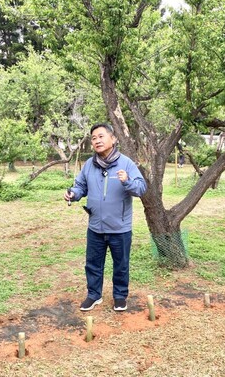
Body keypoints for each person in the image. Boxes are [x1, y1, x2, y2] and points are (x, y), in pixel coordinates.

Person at [64, 123, 147, 312]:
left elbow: (141, 188)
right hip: (95, 226)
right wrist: (73, 194)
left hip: (120, 227)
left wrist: (127, 181)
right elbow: (80, 187)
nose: (97, 141)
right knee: (92, 264)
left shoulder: (126, 163)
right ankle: (94, 295)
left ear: (113, 139)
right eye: (93, 138)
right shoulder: (89, 165)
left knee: (121, 265)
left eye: (101, 136)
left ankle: (119, 296)